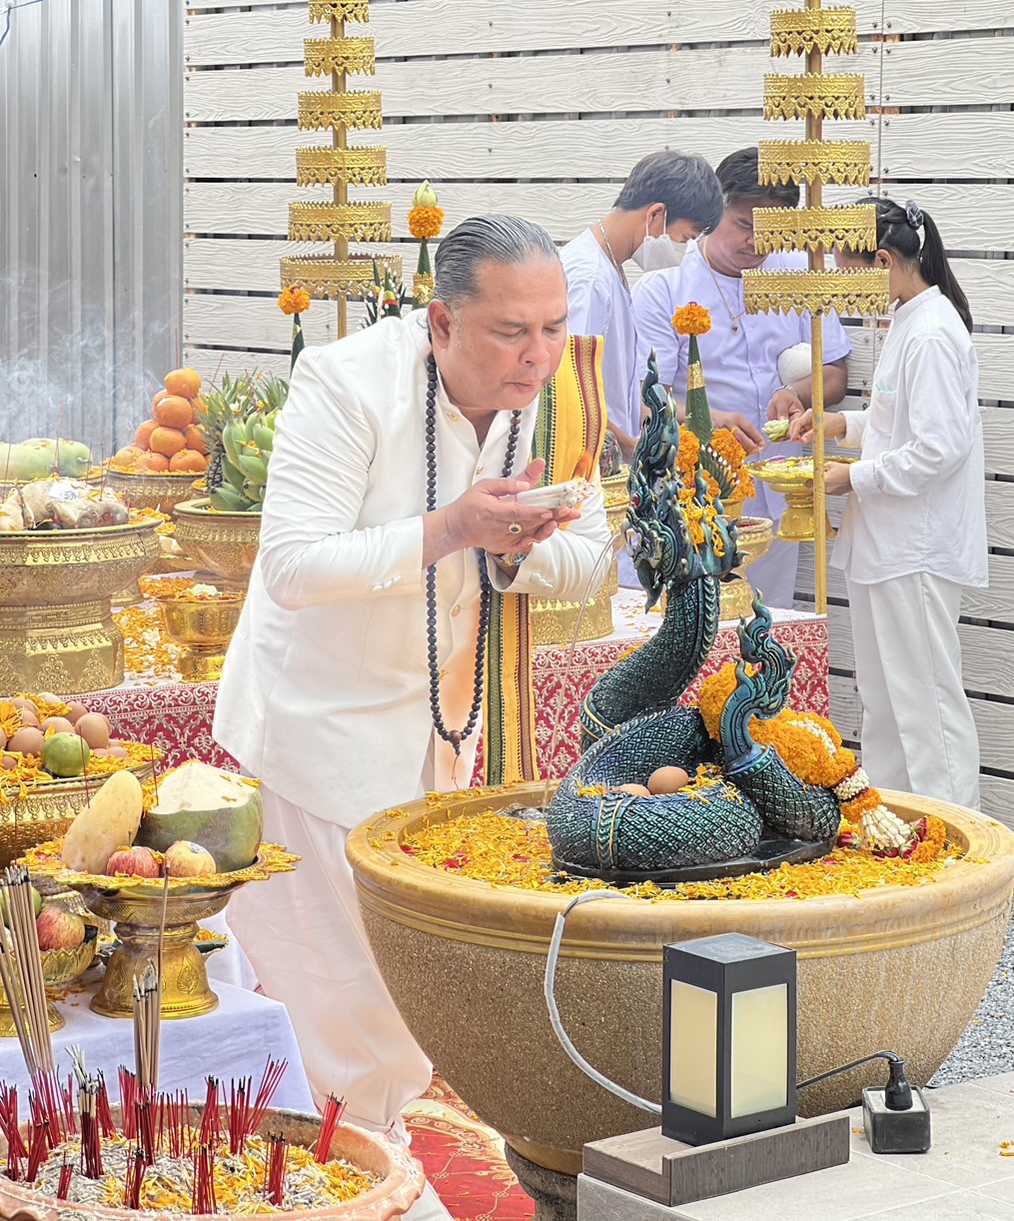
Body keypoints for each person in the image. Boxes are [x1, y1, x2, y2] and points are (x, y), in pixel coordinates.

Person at [213, 217, 610, 1188]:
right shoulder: (347, 382)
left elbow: (591, 557)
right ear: (440, 322)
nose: (538, 355)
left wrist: (514, 546)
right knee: (346, 998)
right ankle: (357, 1174)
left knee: (393, 992)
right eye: (511, 331)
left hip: (440, 730)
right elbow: (292, 565)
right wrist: (450, 529)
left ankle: (349, 1164)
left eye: (553, 327)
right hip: (316, 724)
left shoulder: (561, 396)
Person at [790, 197, 986, 809]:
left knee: (926, 708)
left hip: (914, 548)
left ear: (881, 260)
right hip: (887, 543)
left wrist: (855, 477)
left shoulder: (930, 333)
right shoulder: (907, 320)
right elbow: (894, 421)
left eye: (848, 274)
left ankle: (955, 839)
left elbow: (938, 449)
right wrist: (839, 426)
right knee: (883, 703)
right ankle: (894, 824)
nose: (847, 291)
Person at [633, 147, 851, 607]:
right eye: (744, 225)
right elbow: (645, 401)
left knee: (768, 619)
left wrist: (793, 393)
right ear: (714, 211)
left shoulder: (799, 273)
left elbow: (834, 374)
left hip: (778, 489)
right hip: (695, 491)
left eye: (772, 231)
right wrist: (709, 421)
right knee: (696, 621)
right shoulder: (666, 287)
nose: (757, 243)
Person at [561, 151, 723, 459]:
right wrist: (630, 448)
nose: (683, 250)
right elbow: (571, 395)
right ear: (655, 215)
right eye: (684, 238)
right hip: (587, 463)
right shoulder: (590, 279)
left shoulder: (610, 268)